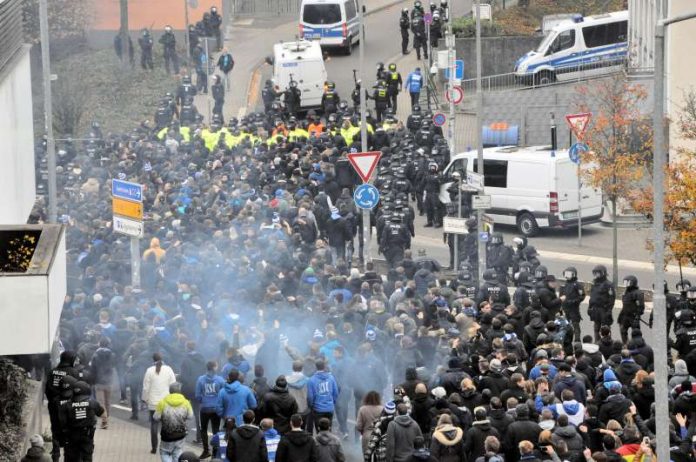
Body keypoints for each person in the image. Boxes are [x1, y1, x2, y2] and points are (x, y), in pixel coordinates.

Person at [45, 350, 84, 462]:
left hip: (54, 406)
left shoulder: (53, 371)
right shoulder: (73, 372)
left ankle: (55, 455)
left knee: (55, 429)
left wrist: (53, 400)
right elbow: (77, 389)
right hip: (69, 407)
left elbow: (47, 389)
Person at [142, 353, 177, 454]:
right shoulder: (169, 369)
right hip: (166, 402)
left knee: (154, 424)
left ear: (152, 360)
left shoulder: (149, 370)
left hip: (153, 402)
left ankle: (154, 448)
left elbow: (145, 387)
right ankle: (167, 447)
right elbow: (173, 385)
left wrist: (145, 399)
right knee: (166, 425)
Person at [63, 380, 104, 462]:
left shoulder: (67, 404)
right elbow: (101, 413)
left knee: (70, 456)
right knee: (87, 456)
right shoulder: (92, 402)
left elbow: (62, 421)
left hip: (71, 436)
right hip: (87, 435)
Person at [154, 382, 194, 462]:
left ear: (170, 391)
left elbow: (156, 417)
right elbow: (190, 416)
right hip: (180, 434)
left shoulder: (163, 402)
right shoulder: (186, 402)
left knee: (164, 452)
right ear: (180, 391)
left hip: (167, 435)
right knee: (178, 452)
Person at [196, 361, 226, 459]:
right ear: (215, 367)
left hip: (204, 408)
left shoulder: (200, 379)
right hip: (216, 409)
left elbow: (198, 396)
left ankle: (206, 451)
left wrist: (203, 400)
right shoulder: (220, 380)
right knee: (216, 430)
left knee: (203, 429)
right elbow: (223, 394)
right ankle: (215, 453)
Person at [89, 336, 115, 429]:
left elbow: (92, 369)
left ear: (99, 343)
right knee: (108, 402)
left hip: (99, 381)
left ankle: (104, 421)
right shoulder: (112, 354)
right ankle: (107, 418)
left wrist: (91, 381)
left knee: (101, 402)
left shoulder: (95, 355)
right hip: (109, 381)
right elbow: (113, 367)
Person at [307, 359, 339, 432]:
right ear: (324, 366)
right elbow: (336, 392)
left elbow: (310, 397)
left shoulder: (311, 380)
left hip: (318, 409)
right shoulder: (331, 378)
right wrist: (332, 402)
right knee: (328, 430)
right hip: (329, 408)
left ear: (315, 367)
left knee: (319, 432)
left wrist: (311, 406)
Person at [588, 265, 615, 341]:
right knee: (596, 328)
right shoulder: (594, 283)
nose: (596, 275)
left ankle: (607, 343)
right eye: (595, 273)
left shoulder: (608, 284)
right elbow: (592, 296)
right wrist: (589, 307)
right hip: (595, 309)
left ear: (603, 273)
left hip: (604, 309)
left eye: (598, 273)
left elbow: (611, 299)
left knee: (605, 329)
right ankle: (597, 343)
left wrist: (609, 310)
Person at [559, 267, 585, 341]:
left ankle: (577, 340)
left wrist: (574, 301)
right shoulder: (564, 284)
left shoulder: (577, 285)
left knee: (575, 325)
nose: (567, 276)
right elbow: (560, 296)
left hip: (573, 309)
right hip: (564, 308)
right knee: (564, 325)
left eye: (569, 274)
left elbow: (582, 296)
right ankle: (566, 340)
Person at [618, 275, 644, 344]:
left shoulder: (638, 293)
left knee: (636, 334)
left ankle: (637, 346)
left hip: (633, 316)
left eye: (628, 282)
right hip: (625, 315)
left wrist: (637, 316)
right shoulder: (626, 292)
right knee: (623, 330)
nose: (626, 284)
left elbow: (641, 306)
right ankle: (626, 344)